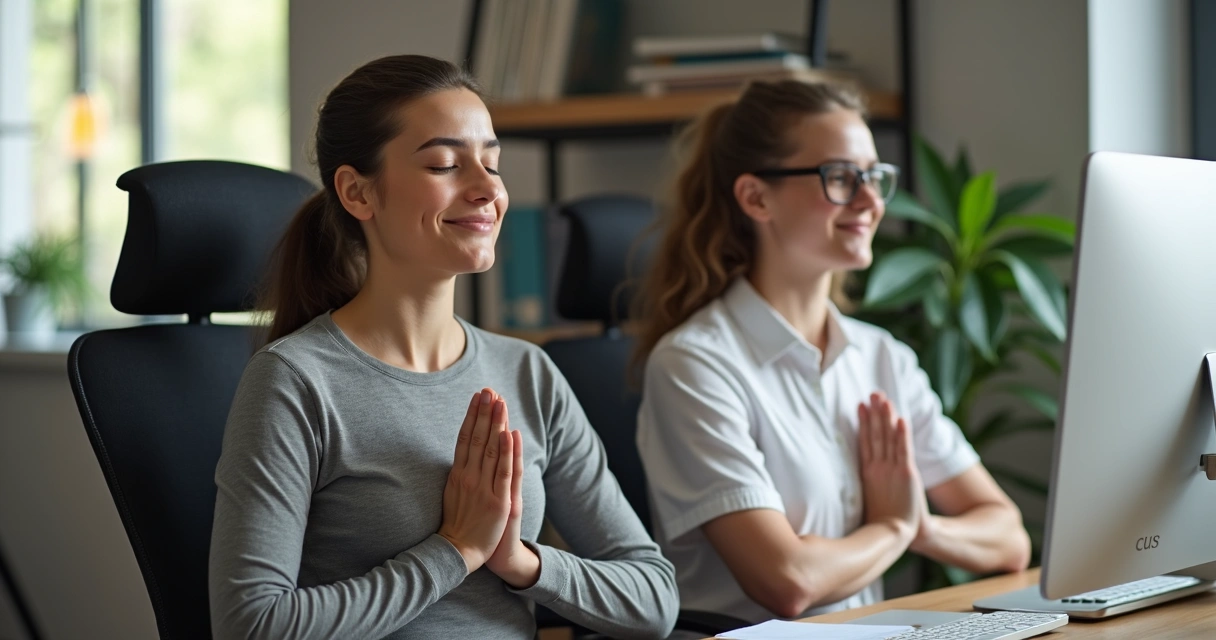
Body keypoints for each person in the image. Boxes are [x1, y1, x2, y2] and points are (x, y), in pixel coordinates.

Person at [208, 54, 677, 639]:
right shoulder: (295, 381)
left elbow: (654, 599)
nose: (487, 189)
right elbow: (251, 626)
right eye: (445, 164)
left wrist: (521, 563)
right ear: (358, 192)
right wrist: (454, 551)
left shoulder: (527, 370)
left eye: (493, 163)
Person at [632, 80, 1031, 624]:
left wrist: (919, 525)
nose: (870, 202)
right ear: (755, 197)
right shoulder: (695, 366)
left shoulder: (882, 357)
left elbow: (1007, 538)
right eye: (841, 178)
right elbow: (788, 580)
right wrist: (889, 527)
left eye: (873, 177)